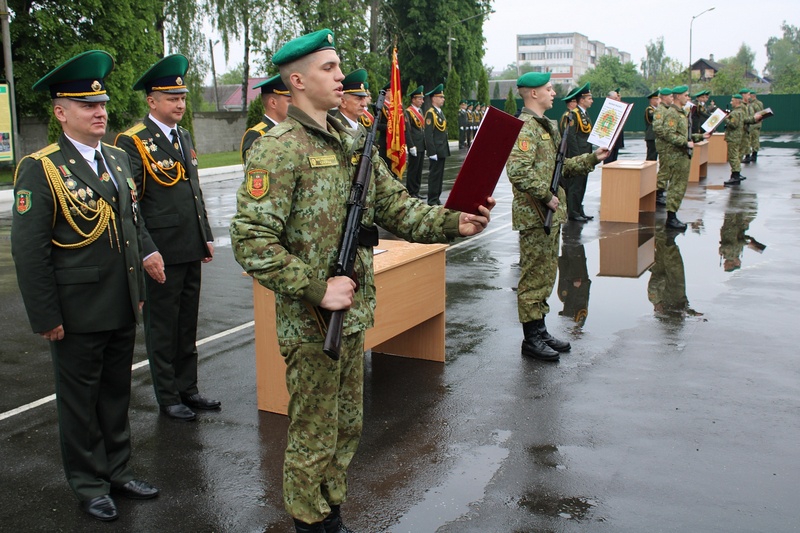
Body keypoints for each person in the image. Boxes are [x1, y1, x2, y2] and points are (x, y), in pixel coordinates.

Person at [228, 29, 494, 533]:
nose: (340, 75)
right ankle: (309, 522)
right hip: (311, 324)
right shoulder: (277, 149)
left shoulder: (353, 141)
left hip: (352, 315)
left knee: (347, 425)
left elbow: (397, 206)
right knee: (312, 432)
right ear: (298, 80)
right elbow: (251, 242)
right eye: (329, 68)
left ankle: (332, 514)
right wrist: (316, 288)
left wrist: (452, 222)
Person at [11, 50, 158, 522]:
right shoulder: (41, 166)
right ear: (61, 112)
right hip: (75, 310)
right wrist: (46, 315)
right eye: (87, 106)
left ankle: (117, 470)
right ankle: (88, 482)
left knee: (117, 393)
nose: (100, 112)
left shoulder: (115, 157)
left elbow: (130, 222)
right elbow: (29, 251)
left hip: (118, 301)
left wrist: (138, 277)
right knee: (79, 402)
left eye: (102, 104)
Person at [115, 54, 219, 421]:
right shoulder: (133, 142)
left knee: (187, 323)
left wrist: (204, 235)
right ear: (151, 101)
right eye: (171, 97)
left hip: (189, 246)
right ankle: (168, 395)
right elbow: (131, 204)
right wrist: (146, 251)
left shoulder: (183, 136)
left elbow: (194, 191)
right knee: (163, 327)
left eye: (183, 97)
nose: (179, 103)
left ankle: (188, 389)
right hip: (161, 251)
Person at [505, 72, 608, 362]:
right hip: (536, 214)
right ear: (533, 94)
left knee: (547, 273)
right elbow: (518, 171)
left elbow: (558, 169)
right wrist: (547, 196)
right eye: (548, 89)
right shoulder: (525, 128)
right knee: (533, 275)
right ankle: (531, 338)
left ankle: (540, 328)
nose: (553, 93)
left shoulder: (546, 126)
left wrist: (592, 158)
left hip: (548, 214)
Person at [652, 85, 708, 230]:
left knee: (679, 186)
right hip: (676, 154)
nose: (687, 98)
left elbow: (685, 135)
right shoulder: (672, 113)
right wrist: (685, 143)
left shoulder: (681, 112)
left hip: (682, 154)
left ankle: (673, 215)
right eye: (685, 95)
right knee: (676, 186)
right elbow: (668, 133)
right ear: (678, 97)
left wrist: (701, 136)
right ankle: (671, 218)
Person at [240, 74, 292, 164]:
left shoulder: (292, 129)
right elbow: (256, 172)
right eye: (290, 101)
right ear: (273, 103)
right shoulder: (257, 134)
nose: (295, 106)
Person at [564, 82, 594, 221]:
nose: (591, 100)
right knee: (575, 185)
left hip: (585, 153)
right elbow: (571, 137)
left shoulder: (585, 114)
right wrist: (577, 157)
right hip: (578, 155)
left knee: (582, 184)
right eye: (589, 98)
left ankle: (579, 209)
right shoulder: (573, 114)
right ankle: (573, 212)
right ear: (581, 100)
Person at [722, 93, 762, 186]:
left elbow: (733, 125)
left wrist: (725, 119)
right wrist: (754, 119)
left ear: (737, 101)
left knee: (733, 156)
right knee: (736, 155)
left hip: (733, 137)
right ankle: (736, 174)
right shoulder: (742, 111)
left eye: (732, 101)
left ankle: (735, 175)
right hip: (739, 137)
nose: (731, 102)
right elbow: (746, 120)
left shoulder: (735, 112)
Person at [423, 83, 450, 206]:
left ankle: (437, 197)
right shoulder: (430, 113)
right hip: (436, 151)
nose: (443, 99)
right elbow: (428, 135)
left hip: (442, 149)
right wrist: (431, 152)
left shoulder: (440, 112)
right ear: (434, 98)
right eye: (441, 97)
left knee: (440, 176)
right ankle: (432, 199)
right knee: (434, 176)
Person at [404, 85, 426, 197]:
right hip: (415, 145)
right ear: (413, 99)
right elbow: (407, 130)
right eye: (419, 99)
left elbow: (421, 129)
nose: (422, 101)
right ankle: (411, 191)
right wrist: (411, 146)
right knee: (413, 170)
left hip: (421, 144)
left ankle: (416, 191)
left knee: (419, 170)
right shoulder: (408, 112)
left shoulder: (420, 111)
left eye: (422, 99)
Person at [330, 68, 369, 132]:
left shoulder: (361, 128)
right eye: (359, 99)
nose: (364, 104)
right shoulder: (334, 128)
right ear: (342, 102)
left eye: (364, 98)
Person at [653, 87, 673, 206]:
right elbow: (657, 128)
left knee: (667, 168)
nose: (672, 99)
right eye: (670, 96)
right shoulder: (660, 111)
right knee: (664, 169)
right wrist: (669, 136)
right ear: (664, 97)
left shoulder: (667, 109)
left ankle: (661, 190)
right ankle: (658, 193)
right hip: (664, 144)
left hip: (668, 144)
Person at [603, 88, 624, 164]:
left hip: (616, 140)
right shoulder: (607, 109)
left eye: (618, 98)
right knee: (608, 161)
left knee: (614, 162)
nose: (618, 99)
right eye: (615, 98)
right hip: (609, 141)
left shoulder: (618, 108)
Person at [744, 89, 764, 163]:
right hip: (755, 124)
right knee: (754, 140)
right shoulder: (757, 103)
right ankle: (752, 156)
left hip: (754, 124)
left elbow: (759, 113)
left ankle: (750, 156)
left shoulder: (755, 104)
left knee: (751, 140)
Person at [644, 89, 660, 161]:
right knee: (651, 156)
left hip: (656, 136)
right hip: (651, 136)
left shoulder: (657, 109)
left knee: (655, 156)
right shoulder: (649, 109)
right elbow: (654, 117)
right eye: (656, 99)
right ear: (652, 100)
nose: (658, 101)